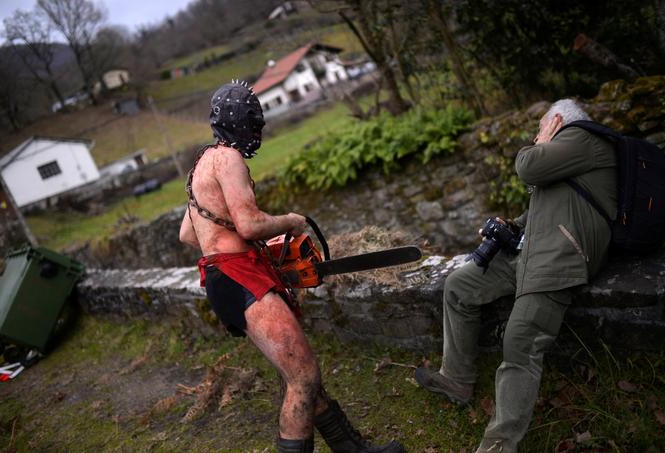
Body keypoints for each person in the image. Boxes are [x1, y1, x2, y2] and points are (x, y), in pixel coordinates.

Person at [179, 81, 405, 453]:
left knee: (298, 373)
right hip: (240, 277)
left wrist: (231, 241)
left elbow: (189, 234)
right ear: (243, 122)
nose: (257, 132)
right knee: (303, 376)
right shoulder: (228, 158)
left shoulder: (201, 165)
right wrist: (289, 220)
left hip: (224, 280)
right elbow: (249, 224)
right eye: (255, 123)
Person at [414, 99, 617, 452]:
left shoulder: (582, 139)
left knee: (520, 340)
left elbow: (527, 167)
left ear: (555, 121)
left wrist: (541, 143)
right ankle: (456, 379)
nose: (538, 134)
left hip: (559, 259)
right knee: (459, 285)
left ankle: (499, 444)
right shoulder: (573, 155)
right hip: (532, 255)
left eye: (540, 127)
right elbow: (547, 208)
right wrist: (513, 226)